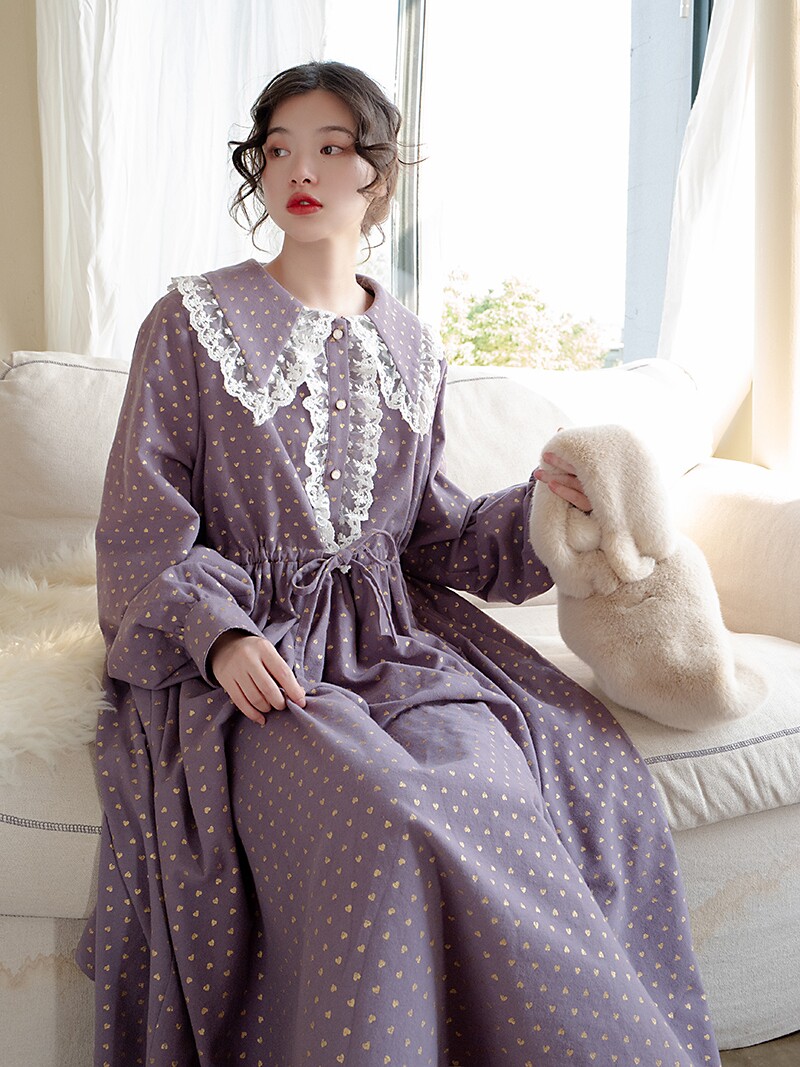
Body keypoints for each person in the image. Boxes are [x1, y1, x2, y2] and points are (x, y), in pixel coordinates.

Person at [77, 60, 720, 1067]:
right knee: (387, 812)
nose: (300, 169)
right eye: (278, 149)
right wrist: (219, 635)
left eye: (330, 147)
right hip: (253, 657)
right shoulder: (191, 323)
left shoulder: (414, 347)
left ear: (376, 173)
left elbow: (433, 533)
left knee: (524, 782)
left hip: (396, 646)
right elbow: (140, 528)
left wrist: (552, 509)